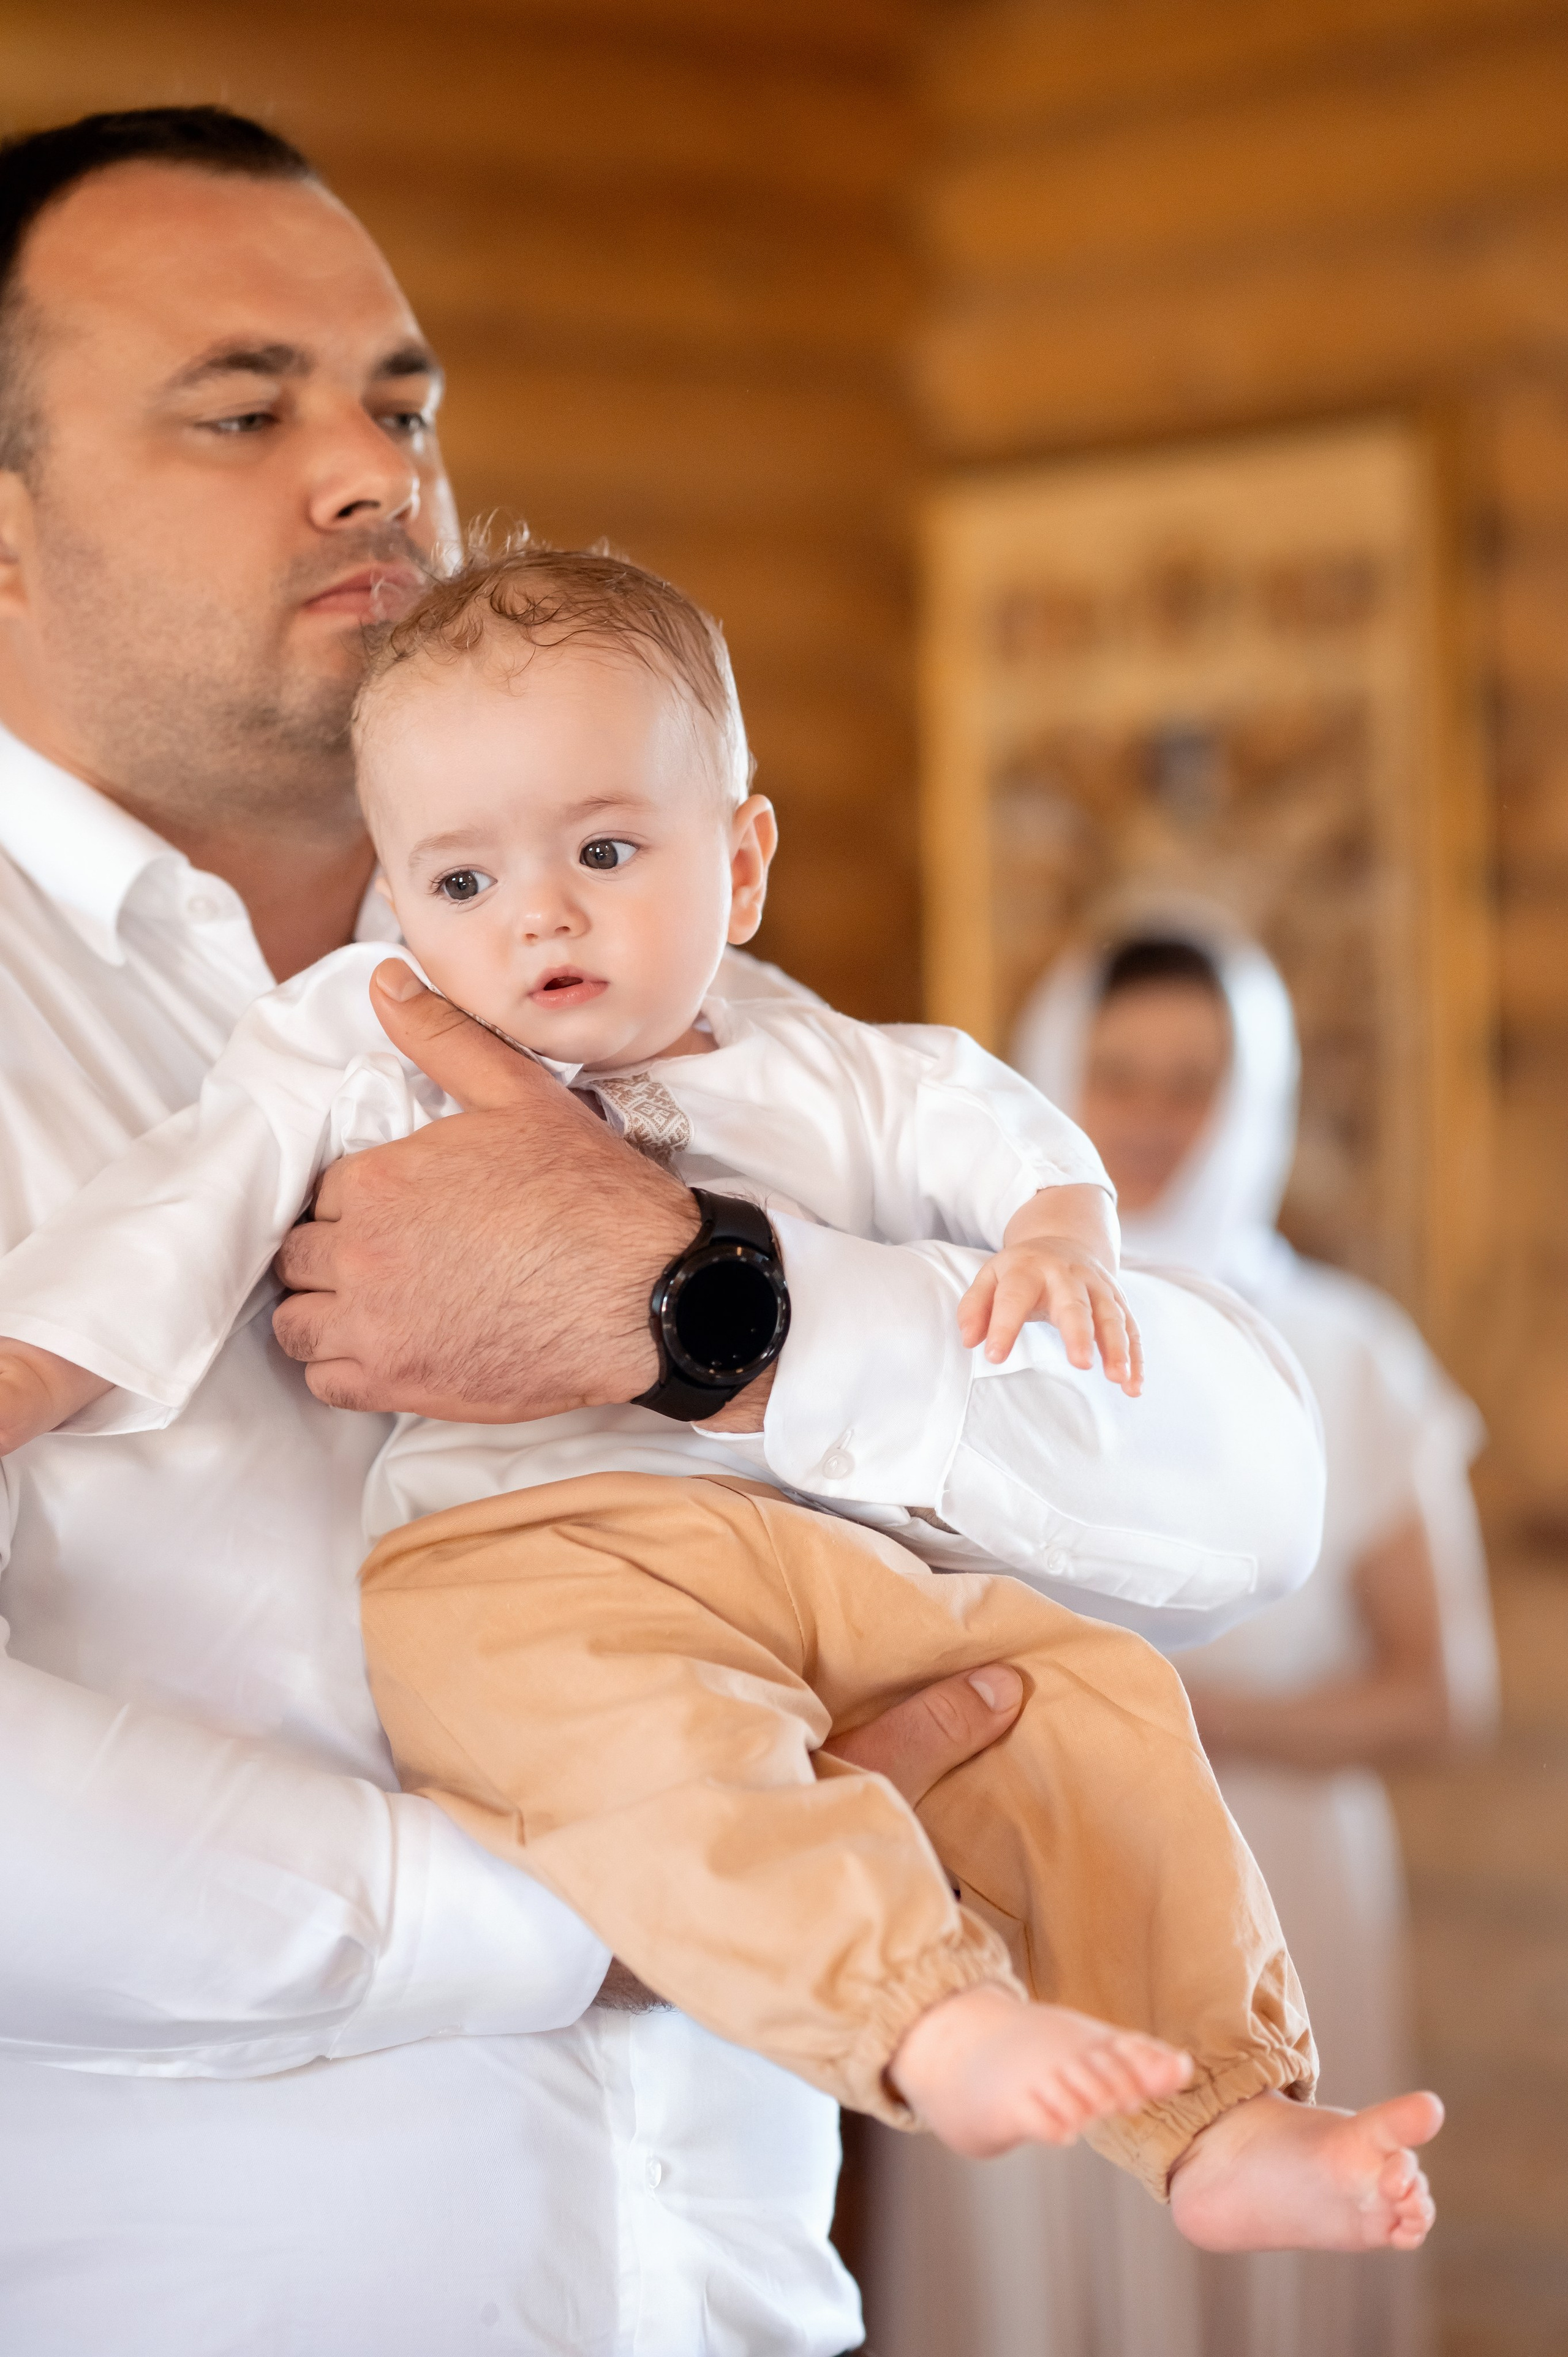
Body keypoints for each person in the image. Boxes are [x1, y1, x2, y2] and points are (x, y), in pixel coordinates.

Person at [0, 108, 1335, 2354]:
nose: (373, 474)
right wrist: (604, 1900)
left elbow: (1248, 1498)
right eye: (246, 410)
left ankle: (1234, 2106)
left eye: (403, 405)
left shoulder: (703, 996)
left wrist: (707, 1304)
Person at [862, 914, 1496, 2357]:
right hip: (1023, 1873)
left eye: (1192, 1081)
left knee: (1272, 2201)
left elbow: (1438, 1695)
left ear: (1253, 1096)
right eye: (1117, 1073)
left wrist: (1164, 1716)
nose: (1150, 1116)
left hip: (1279, 1879)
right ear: (1050, 1083)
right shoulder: (960, 1329)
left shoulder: (1347, 1350)